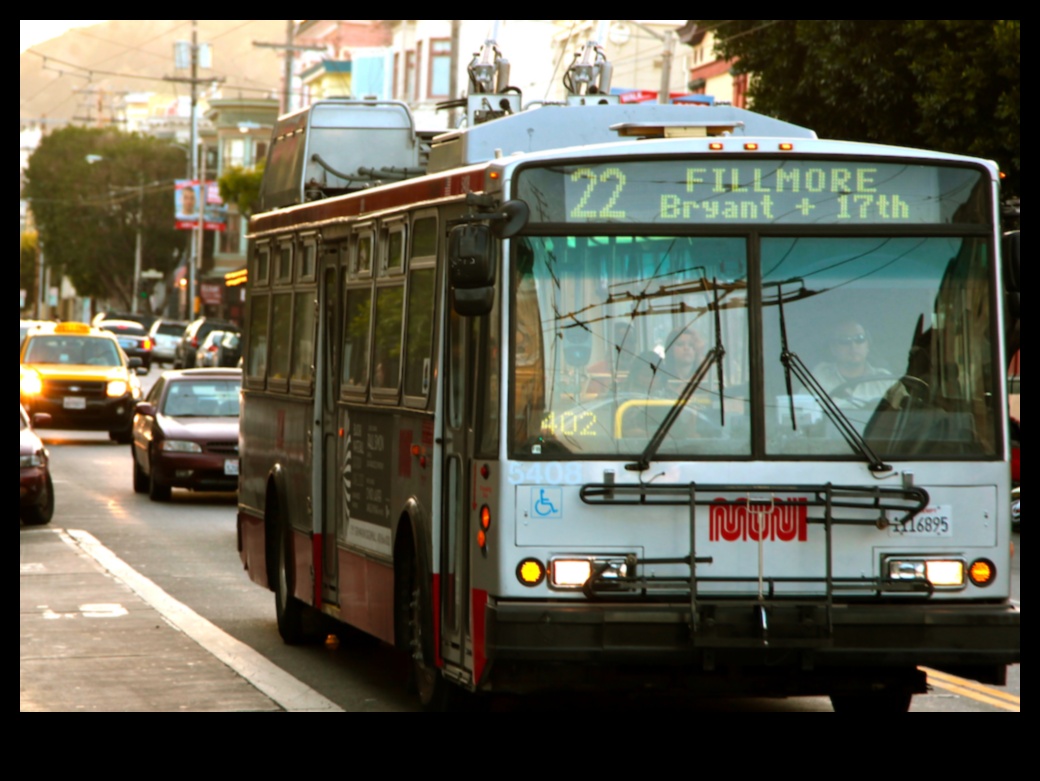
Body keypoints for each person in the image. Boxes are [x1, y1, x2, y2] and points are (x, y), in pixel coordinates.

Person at [813, 319, 894, 405]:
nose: (853, 345)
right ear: (833, 348)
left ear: (867, 346)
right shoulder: (819, 378)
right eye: (845, 340)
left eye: (859, 339)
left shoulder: (885, 381)